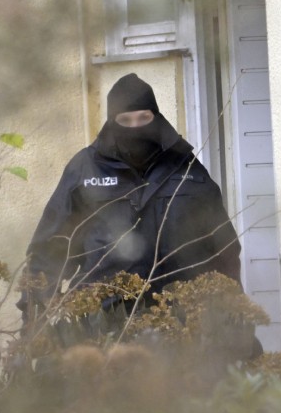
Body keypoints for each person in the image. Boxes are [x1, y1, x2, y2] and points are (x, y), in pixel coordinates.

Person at [19, 73, 244, 322]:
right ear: (112, 122)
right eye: (125, 120)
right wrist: (35, 313)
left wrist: (233, 316)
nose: (136, 127)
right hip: (104, 321)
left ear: (155, 117)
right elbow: (51, 246)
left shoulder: (186, 166)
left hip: (179, 319)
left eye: (144, 118)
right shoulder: (85, 168)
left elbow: (223, 247)